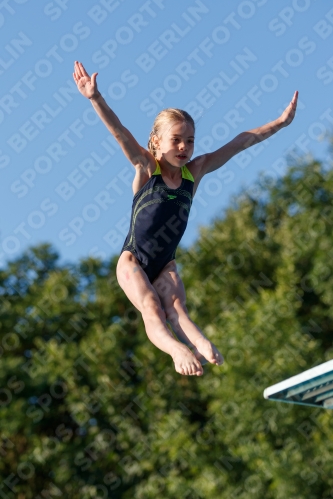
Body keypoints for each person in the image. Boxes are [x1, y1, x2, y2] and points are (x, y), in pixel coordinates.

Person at [73, 61, 298, 377]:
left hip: (165, 263)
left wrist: (280, 122)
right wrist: (95, 98)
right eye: (176, 139)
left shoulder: (195, 171)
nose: (184, 147)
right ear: (157, 142)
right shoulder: (146, 168)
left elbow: (239, 142)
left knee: (178, 310)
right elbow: (119, 132)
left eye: (190, 140)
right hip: (132, 262)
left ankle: (200, 344)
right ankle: (177, 351)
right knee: (152, 308)